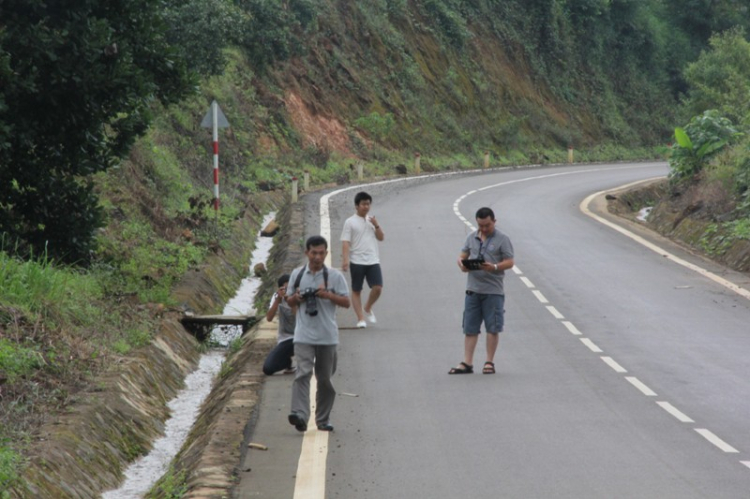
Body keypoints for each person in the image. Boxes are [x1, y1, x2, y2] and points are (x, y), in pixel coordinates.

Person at [286, 235, 350, 432]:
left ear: (326, 253)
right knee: (302, 373)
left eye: (321, 253)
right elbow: (288, 301)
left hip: (327, 336)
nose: (317, 257)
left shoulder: (335, 277)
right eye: (314, 253)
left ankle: (322, 419)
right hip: (303, 335)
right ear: (307, 253)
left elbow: (347, 302)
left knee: (324, 379)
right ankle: (300, 415)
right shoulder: (297, 275)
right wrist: (297, 297)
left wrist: (328, 295)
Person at [449, 207, 514, 375]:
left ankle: (489, 362)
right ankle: (467, 362)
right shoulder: (471, 237)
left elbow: (510, 262)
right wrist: (462, 264)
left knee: (493, 327)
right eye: (480, 225)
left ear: (494, 221)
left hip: (493, 290)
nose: (484, 229)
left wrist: (493, 267)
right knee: (470, 327)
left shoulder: (503, 239)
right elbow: (462, 255)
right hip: (473, 289)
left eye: (487, 225)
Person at [341, 191, 384, 329]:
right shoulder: (350, 222)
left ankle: (368, 307)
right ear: (356, 206)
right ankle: (360, 319)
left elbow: (381, 237)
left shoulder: (372, 220)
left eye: (368, 204)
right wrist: (345, 260)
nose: (366, 207)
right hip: (357, 261)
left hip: (373, 260)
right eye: (363, 204)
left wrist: (376, 225)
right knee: (356, 290)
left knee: (378, 288)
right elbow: (346, 242)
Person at [262, 274, 296, 375]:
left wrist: (290, 301)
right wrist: (278, 300)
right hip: (286, 339)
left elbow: (299, 317)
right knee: (268, 369)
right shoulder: (277, 297)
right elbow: (269, 318)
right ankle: (286, 362)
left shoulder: (298, 296)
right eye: (285, 288)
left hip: (303, 337)